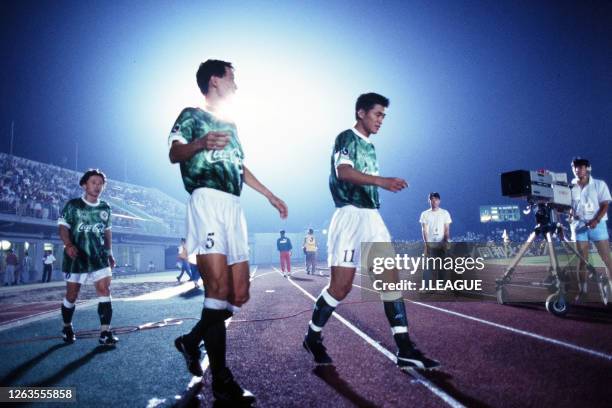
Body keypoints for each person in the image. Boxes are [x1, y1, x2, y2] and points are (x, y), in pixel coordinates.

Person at [168, 59, 287, 404]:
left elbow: (239, 165)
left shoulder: (232, 125)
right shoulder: (190, 114)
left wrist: (269, 194)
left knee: (238, 294)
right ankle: (221, 379)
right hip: (206, 199)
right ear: (215, 80)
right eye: (232, 78)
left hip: (234, 207)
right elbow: (175, 153)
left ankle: (191, 341)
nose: (236, 84)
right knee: (216, 289)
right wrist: (201, 143)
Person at [302, 92, 440, 371]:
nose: (381, 120)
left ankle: (404, 349)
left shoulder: (372, 148)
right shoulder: (346, 138)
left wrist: (380, 184)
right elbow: (343, 172)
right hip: (349, 216)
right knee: (340, 288)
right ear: (361, 113)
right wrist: (382, 181)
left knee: (390, 281)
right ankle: (312, 337)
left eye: (384, 116)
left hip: (372, 218)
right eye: (377, 114)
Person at [57, 169, 118, 346]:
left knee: (105, 290)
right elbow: (63, 227)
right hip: (76, 257)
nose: (97, 186)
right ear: (84, 184)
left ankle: (105, 332)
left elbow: (107, 232)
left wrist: (110, 252)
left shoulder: (105, 207)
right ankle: (67, 326)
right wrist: (68, 245)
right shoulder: (73, 205)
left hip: (98, 257)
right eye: (94, 182)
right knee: (72, 295)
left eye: (100, 183)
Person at [569, 157, 612, 301]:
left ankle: (611, 288)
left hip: (597, 225)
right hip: (579, 227)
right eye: (575, 167)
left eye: (581, 167)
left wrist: (596, 220)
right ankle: (583, 291)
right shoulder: (570, 187)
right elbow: (568, 207)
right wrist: (569, 212)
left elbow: (605, 204)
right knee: (582, 261)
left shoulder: (599, 185)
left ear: (587, 168)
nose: (577, 170)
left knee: (606, 259)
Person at [419, 192, 452, 287]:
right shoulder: (425, 214)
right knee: (428, 266)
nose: (434, 201)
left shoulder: (445, 213)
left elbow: (446, 229)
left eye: (436, 199)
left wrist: (445, 241)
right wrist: (426, 245)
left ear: (439, 201)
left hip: (441, 243)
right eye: (432, 200)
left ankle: (441, 285)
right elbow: (424, 230)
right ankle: (426, 286)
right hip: (430, 244)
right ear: (429, 201)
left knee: (442, 266)